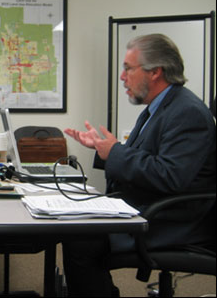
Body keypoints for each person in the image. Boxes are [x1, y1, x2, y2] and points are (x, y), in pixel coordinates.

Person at [62, 34, 216, 296]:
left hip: (173, 221)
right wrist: (105, 150)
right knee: (78, 226)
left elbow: (171, 176)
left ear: (155, 71)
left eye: (128, 68)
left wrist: (115, 152)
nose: (122, 76)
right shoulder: (159, 108)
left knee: (80, 239)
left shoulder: (187, 112)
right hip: (150, 207)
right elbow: (140, 158)